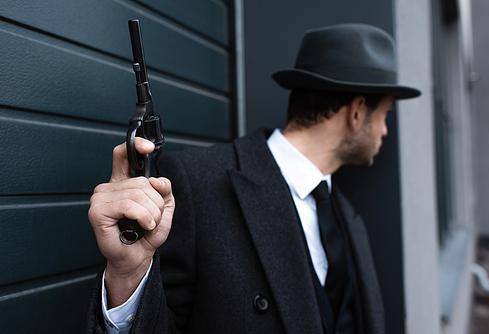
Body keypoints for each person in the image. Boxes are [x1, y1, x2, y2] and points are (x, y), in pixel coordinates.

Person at [83, 23, 420, 334]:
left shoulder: (347, 216)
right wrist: (128, 274)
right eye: (385, 115)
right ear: (357, 111)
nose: (386, 131)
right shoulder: (198, 183)